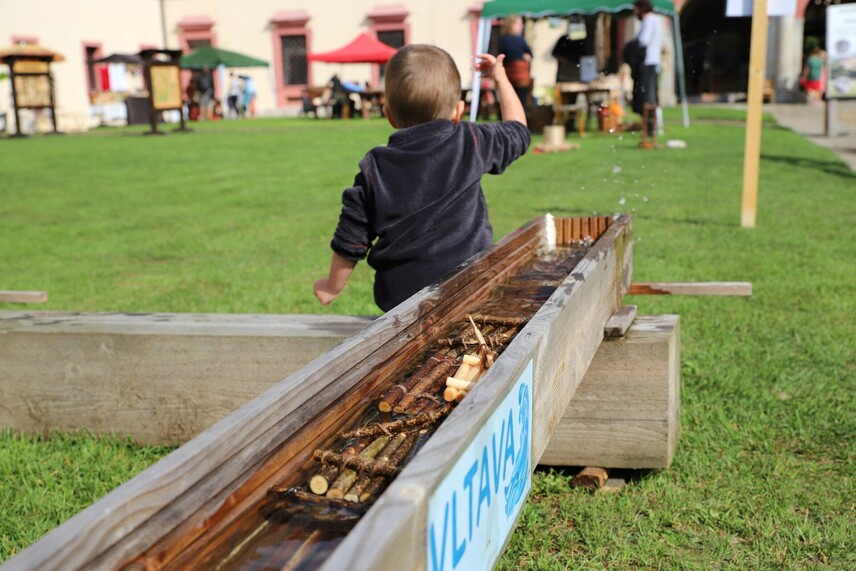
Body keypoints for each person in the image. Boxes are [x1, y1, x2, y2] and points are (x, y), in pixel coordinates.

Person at [314, 44, 530, 312]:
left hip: (402, 304)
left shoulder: (376, 167)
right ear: (458, 110)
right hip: (471, 293)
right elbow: (518, 131)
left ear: (389, 114)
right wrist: (500, 79)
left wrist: (331, 286)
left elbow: (352, 235)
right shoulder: (470, 141)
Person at [632, 0, 663, 141]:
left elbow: (643, 41)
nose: (634, 12)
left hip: (647, 62)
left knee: (647, 98)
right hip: (654, 61)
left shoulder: (649, 20)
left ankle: (650, 129)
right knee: (652, 96)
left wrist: (630, 48)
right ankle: (653, 127)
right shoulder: (656, 19)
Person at [498, 14, 533, 107]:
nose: (522, 26)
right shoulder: (517, 40)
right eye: (519, 23)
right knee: (521, 103)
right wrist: (523, 56)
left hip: (508, 76)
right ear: (512, 25)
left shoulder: (502, 40)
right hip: (519, 77)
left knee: (508, 103)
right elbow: (529, 54)